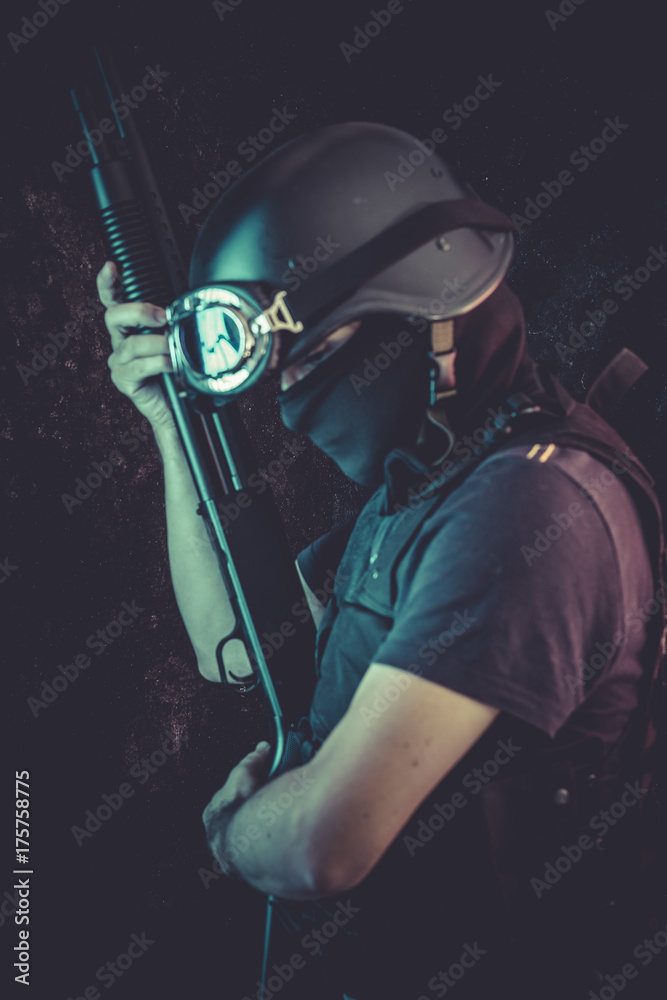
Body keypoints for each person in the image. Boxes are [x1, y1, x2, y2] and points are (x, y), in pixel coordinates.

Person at [97, 122, 665, 1000]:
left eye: (311, 359)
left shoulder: (524, 509)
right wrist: (171, 425)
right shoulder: (424, 486)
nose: (287, 400)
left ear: (417, 315)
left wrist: (238, 832)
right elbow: (239, 649)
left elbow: (324, 847)